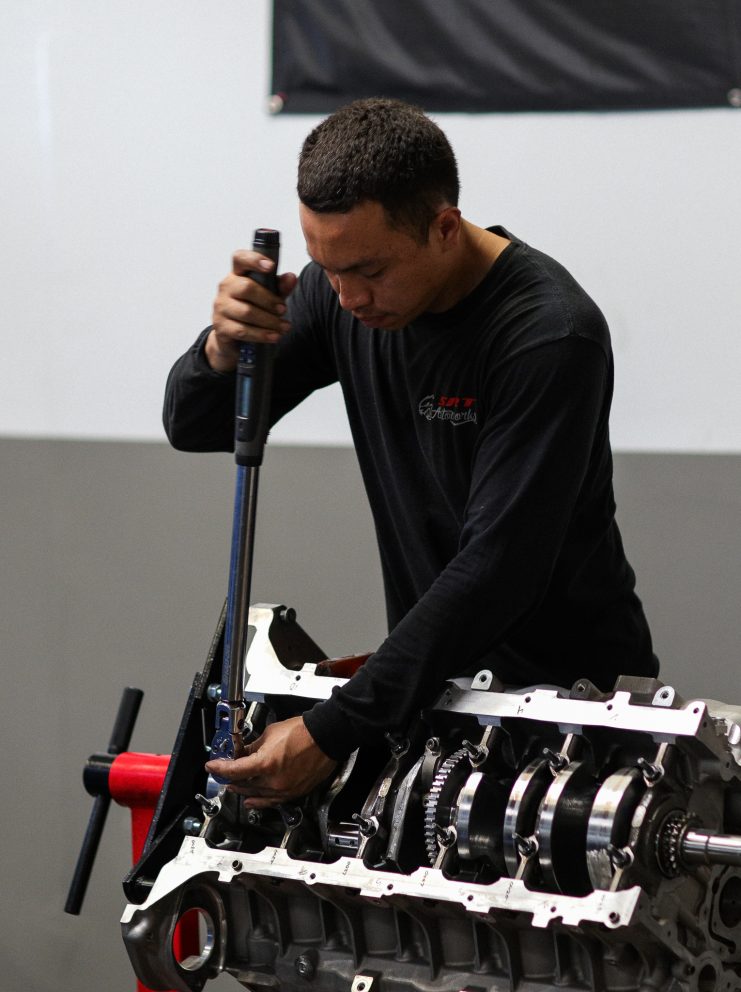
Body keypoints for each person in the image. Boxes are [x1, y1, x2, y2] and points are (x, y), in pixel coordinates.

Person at [163, 97, 658, 808]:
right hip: (437, 692)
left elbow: (496, 570)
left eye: (367, 270)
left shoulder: (547, 335)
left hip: (572, 714)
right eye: (324, 267)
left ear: (444, 227)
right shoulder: (343, 293)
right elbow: (194, 424)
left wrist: (331, 731)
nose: (345, 295)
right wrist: (220, 348)